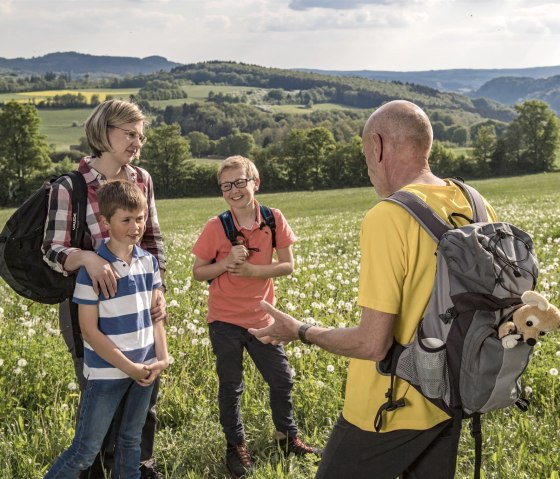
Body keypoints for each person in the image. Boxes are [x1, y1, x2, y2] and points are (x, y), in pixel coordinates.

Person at [249, 100, 497, 479]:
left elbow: (372, 344)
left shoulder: (388, 216)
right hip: (450, 396)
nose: (367, 167)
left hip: (388, 406)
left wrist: (300, 330)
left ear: (378, 146)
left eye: (366, 153)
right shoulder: (475, 202)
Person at [42, 99, 167, 479]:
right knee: (100, 390)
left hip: (139, 300)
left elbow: (152, 238)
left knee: (143, 396)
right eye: (129, 133)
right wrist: (88, 259)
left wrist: (158, 287)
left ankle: (136, 467)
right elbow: (51, 249)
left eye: (140, 136)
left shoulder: (141, 179)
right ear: (103, 131)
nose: (136, 142)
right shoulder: (72, 186)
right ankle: (93, 469)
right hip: (90, 307)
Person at [191, 155, 320, 478]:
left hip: (262, 318)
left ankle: (286, 436)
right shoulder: (215, 226)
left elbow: (288, 265)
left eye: (239, 182)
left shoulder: (273, 219)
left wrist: (251, 270)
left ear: (255, 183)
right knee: (231, 385)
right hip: (224, 319)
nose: (233, 191)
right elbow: (198, 271)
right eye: (226, 186)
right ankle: (235, 446)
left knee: (282, 378)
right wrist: (226, 263)